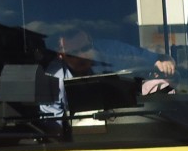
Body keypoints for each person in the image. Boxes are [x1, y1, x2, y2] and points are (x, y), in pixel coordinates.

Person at [41, 24, 176, 118]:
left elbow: (156, 59)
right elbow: (54, 124)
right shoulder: (52, 78)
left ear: (92, 42)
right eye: (73, 53)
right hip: (81, 134)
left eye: (86, 48)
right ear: (60, 55)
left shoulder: (112, 51)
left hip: (128, 119)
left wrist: (165, 63)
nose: (82, 56)